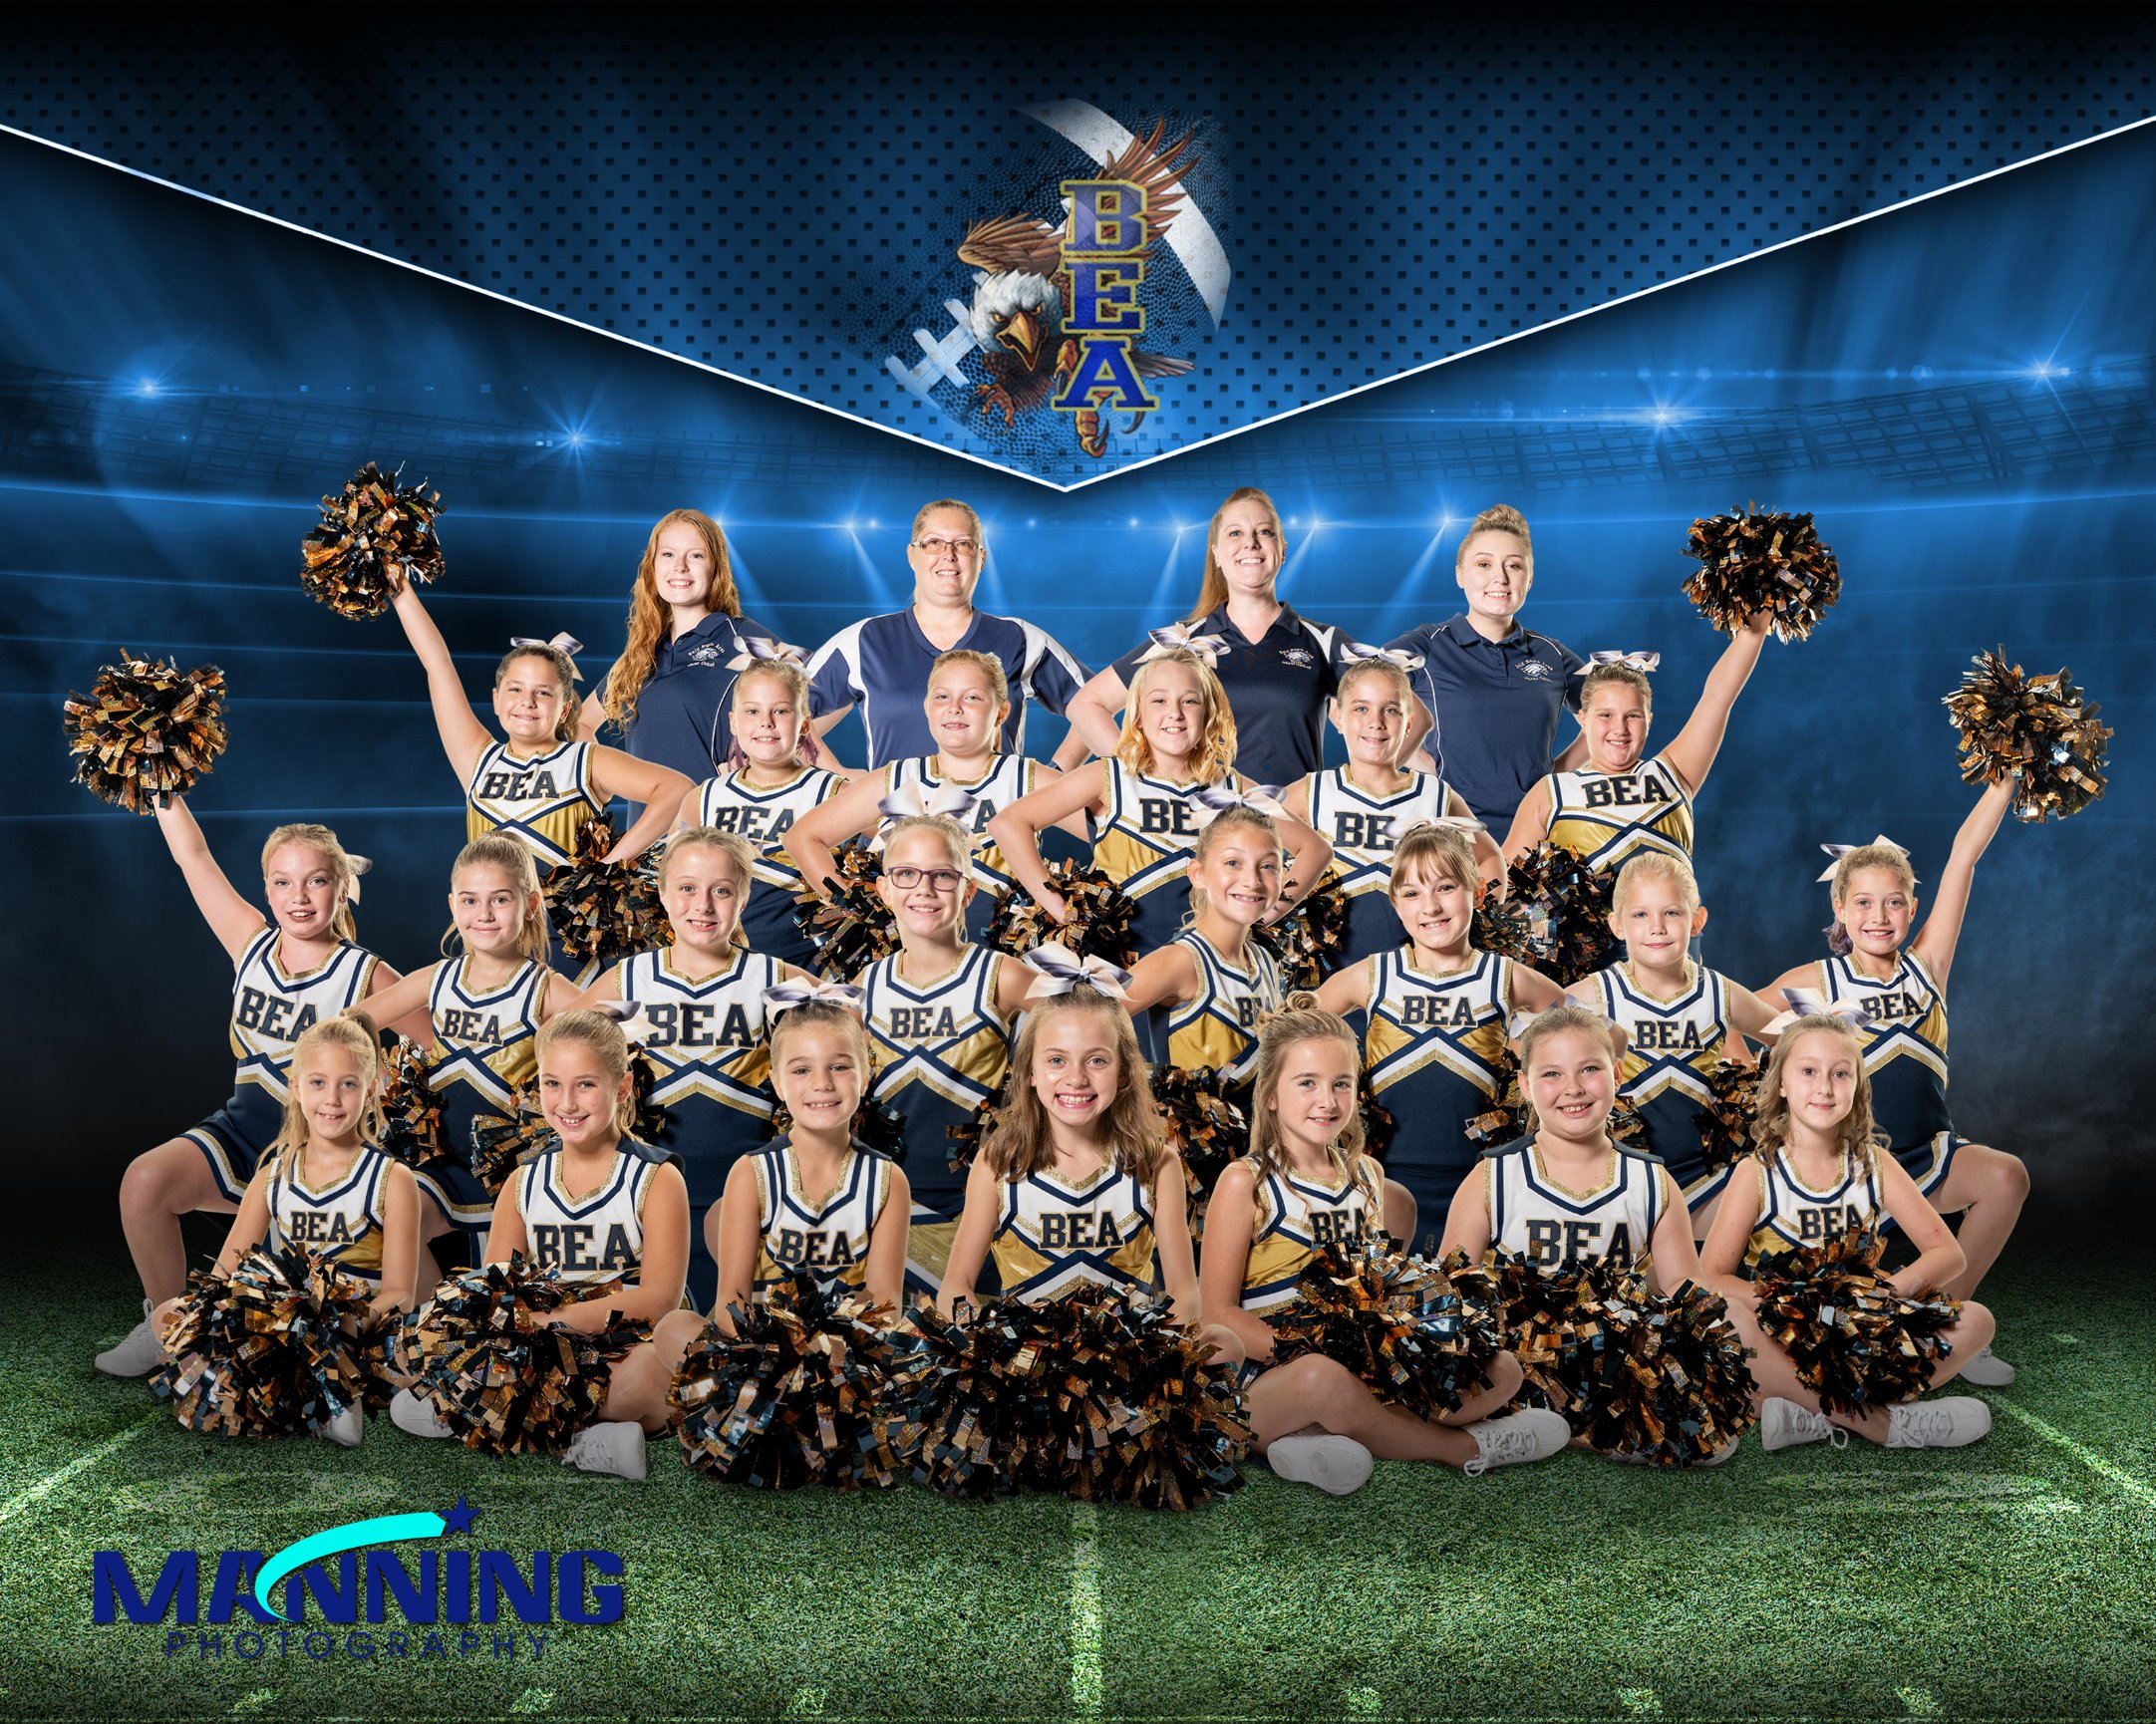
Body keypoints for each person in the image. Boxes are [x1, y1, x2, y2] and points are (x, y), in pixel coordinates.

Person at [97, 800, 419, 1376]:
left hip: (325, 1161)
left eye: (317, 881)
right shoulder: (249, 944)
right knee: (143, 1181)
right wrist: (161, 778)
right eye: (283, 882)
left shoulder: (365, 973)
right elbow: (191, 856)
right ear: (266, 892)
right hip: (243, 1137)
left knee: (337, 1298)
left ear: (341, 889)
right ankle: (169, 1324)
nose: (299, 897)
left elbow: (438, 1049)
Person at [1198, 998, 1569, 1493]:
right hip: (1266, 1376)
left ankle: (1312, 1441)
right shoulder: (1245, 1182)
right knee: (1321, 1380)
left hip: (1358, 1363)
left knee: (1500, 1370)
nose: (1326, 1100)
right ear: (1269, 1094)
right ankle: (1466, 1448)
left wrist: (1400, 1348)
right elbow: (1218, 1313)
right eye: (1306, 1083)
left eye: (1341, 1084)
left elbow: (1382, 1285)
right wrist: (1323, 1354)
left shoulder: (1368, 1177)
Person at [1758, 778, 2028, 1384]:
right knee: (1816, 1312)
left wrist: (2008, 774)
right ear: (1840, 910)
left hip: (1926, 1157)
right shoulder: (1817, 984)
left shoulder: (1928, 965)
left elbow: (1964, 852)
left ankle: (1941, 1326)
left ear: (1911, 906)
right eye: (1862, 902)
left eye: (1894, 902)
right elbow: (1735, 1018)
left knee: (2006, 1177)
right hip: (1848, 1173)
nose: (1878, 916)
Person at [391, 1010, 691, 1481]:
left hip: (621, 1342)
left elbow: (660, 1299)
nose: (567, 1102)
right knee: (413, 1365)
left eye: (586, 1085)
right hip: (535, 1343)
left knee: (648, 1380)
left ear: (625, 1086)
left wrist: (555, 1321)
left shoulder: (656, 1177)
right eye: (553, 1084)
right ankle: (585, 1440)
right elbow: (492, 1287)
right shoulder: (523, 1181)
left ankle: (521, 1426)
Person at [1436, 1004, 1740, 1463]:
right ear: (1524, 1086)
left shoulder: (1652, 1181)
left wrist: (1702, 1359)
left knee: (1714, 1439)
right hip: (1523, 1357)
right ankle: (1570, 1428)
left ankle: (1561, 1429)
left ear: (1617, 1074)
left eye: (1590, 1069)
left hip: (1611, 1362)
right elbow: (1452, 1287)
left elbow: (1683, 1288)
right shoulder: (1493, 1176)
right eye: (1552, 1075)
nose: (1573, 1089)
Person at [1698, 1014, 1997, 1452]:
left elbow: (1947, 1253)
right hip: (1786, 1339)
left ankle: (1808, 1413)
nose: (1825, 1087)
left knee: (1977, 1320)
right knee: (1728, 1319)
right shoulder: (1756, 1172)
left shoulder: (1874, 1164)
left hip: (1861, 1336)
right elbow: (1712, 1276)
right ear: (1780, 1083)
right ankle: (1884, 1425)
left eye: (1841, 1073)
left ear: (1857, 1086)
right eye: (1808, 1071)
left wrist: (1883, 1296)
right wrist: (1792, 1309)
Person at [152, 1016, 422, 1446]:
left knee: (421, 1351)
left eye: (348, 1085)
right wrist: (206, 1320)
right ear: (294, 1087)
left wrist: (344, 1328)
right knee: (167, 1315)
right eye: (317, 1082)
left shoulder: (391, 1178)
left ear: (370, 1091)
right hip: (285, 1328)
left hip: (357, 1330)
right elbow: (223, 1275)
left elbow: (400, 1293)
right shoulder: (272, 1175)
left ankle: (314, 1393)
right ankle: (321, 1398)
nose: (331, 1099)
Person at [573, 828, 809, 1312]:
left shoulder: (768, 977)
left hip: (752, 1191)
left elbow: (847, 1014)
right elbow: (560, 1039)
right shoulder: (632, 977)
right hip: (649, 1192)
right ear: (661, 893)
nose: (703, 905)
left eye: (721, 890)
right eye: (686, 888)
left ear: (742, 897)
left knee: (741, 1331)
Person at [1314, 823, 1569, 1253]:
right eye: (1412, 893)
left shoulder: (1502, 976)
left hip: (1479, 1184)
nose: (1430, 906)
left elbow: (1596, 1033)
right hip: (1382, 1183)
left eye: (1446, 887)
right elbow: (1289, 1036)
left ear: (1476, 890)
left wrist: (1531, 1064)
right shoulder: (1375, 974)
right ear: (1396, 905)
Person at [993, 647, 1328, 960]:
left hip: (1207, 966)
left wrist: (1266, 916)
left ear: (1209, 714)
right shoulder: (1108, 777)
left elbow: (1314, 848)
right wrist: (1058, 907)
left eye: (1190, 702)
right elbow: (1008, 823)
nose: (1175, 714)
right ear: (1137, 715)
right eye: (1159, 701)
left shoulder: (1234, 788)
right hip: (1124, 967)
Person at [345, 836, 575, 1249]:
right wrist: (378, 1081)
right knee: (379, 1227)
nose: (484, 914)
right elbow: (350, 1024)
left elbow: (621, 1034)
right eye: (470, 901)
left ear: (532, 905)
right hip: (441, 1164)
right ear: (453, 905)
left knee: (499, 1291)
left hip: (517, 1173)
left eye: (500, 900)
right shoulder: (437, 979)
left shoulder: (546, 989)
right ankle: (409, 1308)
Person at [385, 569, 690, 869]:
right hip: (487, 917)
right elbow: (438, 665)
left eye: (543, 693)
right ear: (496, 700)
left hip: (556, 920)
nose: (526, 702)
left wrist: (610, 865)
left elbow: (675, 788)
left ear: (566, 709)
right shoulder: (478, 758)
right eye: (515, 689)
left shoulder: (585, 761)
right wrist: (399, 590)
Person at [1057, 487, 1359, 790]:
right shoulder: (1181, 642)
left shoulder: (1324, 641)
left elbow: (1399, 705)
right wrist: (1144, 784)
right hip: (1202, 831)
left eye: (1264, 532)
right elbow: (1086, 705)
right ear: (1215, 552)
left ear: (1282, 549)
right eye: (1235, 533)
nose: (1250, 543)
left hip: (1293, 829)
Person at [785, 649, 1087, 945]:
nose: (955, 707)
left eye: (972, 697)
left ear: (1001, 713)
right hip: (914, 957)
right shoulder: (898, 778)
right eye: (943, 697)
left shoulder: (1027, 778)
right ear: (927, 707)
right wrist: (862, 918)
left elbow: (1109, 831)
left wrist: (1069, 911)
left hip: (1005, 959)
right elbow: (803, 837)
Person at [851, 814, 1036, 1293]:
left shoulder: (1003, 975)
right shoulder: (864, 987)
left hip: (985, 1206)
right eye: (906, 874)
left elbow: (1092, 1031)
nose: (924, 889)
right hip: (891, 1206)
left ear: (968, 890)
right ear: (884, 890)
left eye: (943, 875)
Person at [1571, 853, 1780, 1234]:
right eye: (1640, 915)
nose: (1657, 927)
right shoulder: (1595, 995)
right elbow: (1529, 1043)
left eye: (1671, 913)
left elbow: (1794, 1037)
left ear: (1696, 920)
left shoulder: (1719, 992)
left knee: (1706, 1278)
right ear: (1616, 925)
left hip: (1709, 1182)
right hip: (1622, 1180)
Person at [805, 499, 1088, 767]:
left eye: (963, 544)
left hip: (994, 819)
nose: (948, 555)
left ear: (981, 559)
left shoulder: (1020, 639)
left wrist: (1054, 780)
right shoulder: (862, 641)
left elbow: (1095, 703)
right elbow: (780, 713)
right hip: (898, 819)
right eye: (933, 543)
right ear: (912, 554)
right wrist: (840, 781)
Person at [1280, 653, 1502, 968]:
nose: (1376, 722)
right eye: (1361, 708)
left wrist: (1478, 925)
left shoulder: (1435, 795)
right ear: (1338, 718)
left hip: (1417, 976)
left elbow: (1489, 858)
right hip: (1328, 972)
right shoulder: (1310, 791)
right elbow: (1252, 849)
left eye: (1391, 710)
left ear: (1409, 722)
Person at [1500, 615, 1769, 873]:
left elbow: (1717, 697)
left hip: (1672, 920)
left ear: (1649, 720)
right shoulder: (1553, 791)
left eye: (1633, 716)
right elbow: (1506, 890)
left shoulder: (1671, 773)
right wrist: (1543, 920)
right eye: (1605, 715)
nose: (1620, 728)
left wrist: (1759, 620)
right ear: (1583, 720)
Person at [1385, 504, 1586, 831]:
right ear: (1460, 574)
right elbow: (1357, 690)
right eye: (1484, 564)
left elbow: (1608, 712)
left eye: (1514, 566)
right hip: (1452, 836)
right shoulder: (1426, 644)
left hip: (1537, 837)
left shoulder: (1552, 654)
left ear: (1530, 578)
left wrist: (1553, 781)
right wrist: (1421, 764)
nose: (1500, 578)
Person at [578, 508, 786, 795]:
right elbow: (581, 722)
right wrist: (605, 779)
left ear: (716, 567)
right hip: (645, 834)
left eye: (696, 555)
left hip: (714, 831)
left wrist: (755, 758)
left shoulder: (739, 634)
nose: (680, 566)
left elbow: (826, 692)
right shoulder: (642, 651)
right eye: (668, 555)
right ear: (652, 566)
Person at [673, 652, 849, 971]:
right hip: (722, 969)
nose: (766, 722)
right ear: (734, 722)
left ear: (805, 723)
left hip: (808, 971)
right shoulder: (704, 798)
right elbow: (673, 886)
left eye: (781, 711)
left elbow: (882, 861)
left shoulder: (834, 792)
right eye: (752, 711)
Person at [1122, 801, 1294, 1090]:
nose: (1252, 880)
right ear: (1197, 873)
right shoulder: (1180, 960)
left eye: (1267, 866)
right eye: (1232, 863)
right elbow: (1088, 1023)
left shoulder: (1265, 960)